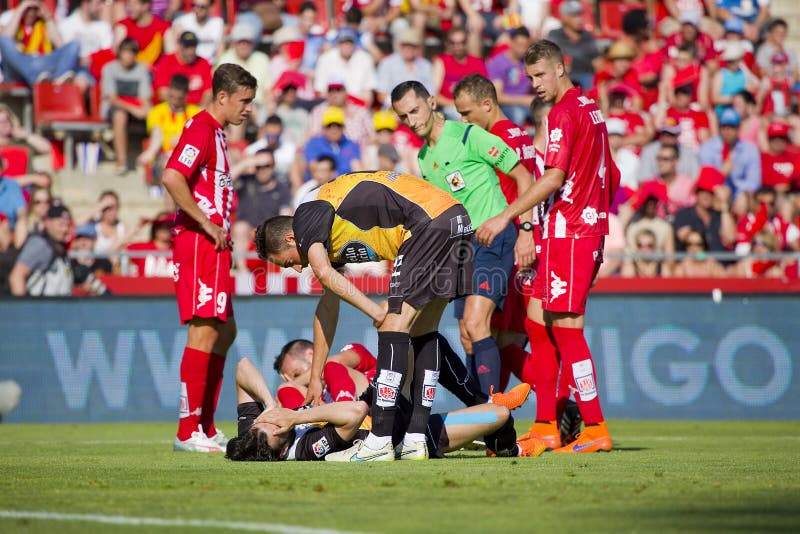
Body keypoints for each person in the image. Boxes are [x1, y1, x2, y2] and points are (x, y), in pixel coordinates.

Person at [254, 170, 480, 461]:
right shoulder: (322, 229)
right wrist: (316, 376)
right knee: (423, 329)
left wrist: (376, 312)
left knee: (393, 326)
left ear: (290, 238)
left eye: (289, 263)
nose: (298, 270)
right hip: (454, 217)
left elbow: (323, 272)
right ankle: (414, 440)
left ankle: (379, 442)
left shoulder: (306, 214)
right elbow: (327, 307)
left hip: (426, 223)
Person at [477, 40, 619, 454]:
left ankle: (595, 426)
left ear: (561, 68)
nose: (535, 84)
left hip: (570, 231)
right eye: (530, 77)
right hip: (572, 231)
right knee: (538, 326)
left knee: (568, 331)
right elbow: (612, 172)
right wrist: (596, 218)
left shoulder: (562, 112)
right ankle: (546, 426)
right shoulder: (591, 109)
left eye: (541, 74)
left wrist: (505, 216)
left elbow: (554, 177)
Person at [391, 80, 535, 401]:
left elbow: (524, 176)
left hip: (493, 238)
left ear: (431, 102)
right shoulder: (424, 157)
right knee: (468, 335)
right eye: (404, 116)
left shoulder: (469, 135)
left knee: (476, 322)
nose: (412, 121)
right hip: (461, 249)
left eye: (415, 110)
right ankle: (483, 412)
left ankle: (493, 414)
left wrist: (523, 229)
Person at [162, 63, 257, 453]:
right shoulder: (201, 128)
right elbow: (172, 176)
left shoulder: (216, 132)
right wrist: (205, 223)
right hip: (200, 242)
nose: (248, 109)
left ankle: (203, 423)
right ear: (222, 96)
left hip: (213, 245)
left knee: (225, 330)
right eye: (244, 101)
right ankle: (188, 430)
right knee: (203, 330)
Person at [225, 356, 533, 462]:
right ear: (281, 452)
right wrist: (295, 416)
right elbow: (355, 411)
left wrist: (270, 405)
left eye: (265, 422)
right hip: (403, 435)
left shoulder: (253, 433)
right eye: (275, 428)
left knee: (421, 338)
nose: (274, 421)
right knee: (498, 415)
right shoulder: (305, 448)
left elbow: (242, 368)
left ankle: (499, 440)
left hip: (390, 409)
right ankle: (506, 447)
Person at [451, 73, 536, 394]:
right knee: (500, 337)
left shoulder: (493, 141)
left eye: (466, 113)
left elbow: (502, 193)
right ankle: (494, 411)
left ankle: (492, 409)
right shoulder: (519, 134)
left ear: (487, 104)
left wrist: (524, 231)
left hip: (499, 243)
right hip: (511, 241)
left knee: (480, 332)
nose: (463, 121)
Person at [100, 38, 152, 174]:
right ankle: (121, 161)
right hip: (113, 109)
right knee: (120, 115)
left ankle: (153, 160)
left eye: (132, 53)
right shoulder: (109, 69)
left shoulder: (141, 70)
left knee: (155, 115)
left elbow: (144, 97)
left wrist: (147, 110)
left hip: (135, 108)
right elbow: (112, 99)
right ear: (120, 53)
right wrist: (134, 110)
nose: (128, 56)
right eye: (126, 52)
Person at [9, 204, 73, 297]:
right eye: (61, 225)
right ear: (47, 223)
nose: (65, 229)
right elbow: (17, 276)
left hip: (57, 304)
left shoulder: (59, 247)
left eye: (68, 225)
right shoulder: (39, 244)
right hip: (40, 304)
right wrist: (22, 305)